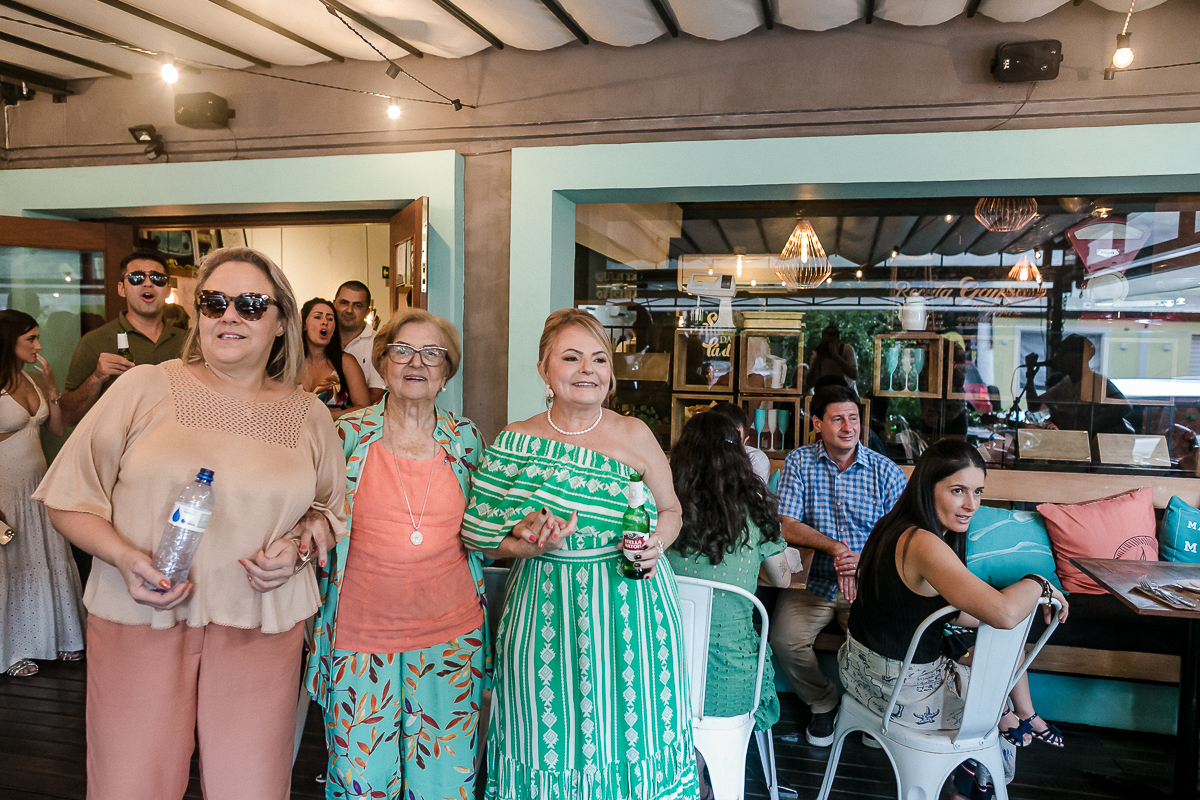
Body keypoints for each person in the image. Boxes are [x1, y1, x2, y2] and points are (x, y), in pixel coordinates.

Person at [33, 247, 346, 800]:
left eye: (251, 304)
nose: (230, 315)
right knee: (130, 785)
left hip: (259, 626)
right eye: (214, 302)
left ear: (281, 322)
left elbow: (326, 513)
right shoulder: (144, 387)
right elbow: (68, 498)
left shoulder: (310, 416)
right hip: (140, 618)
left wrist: (298, 548)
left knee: (251, 788)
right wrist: (125, 558)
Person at [460, 308, 698, 799]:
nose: (588, 369)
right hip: (544, 612)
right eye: (571, 358)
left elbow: (671, 510)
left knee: (634, 735)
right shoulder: (515, 441)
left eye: (599, 359)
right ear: (544, 370)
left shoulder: (635, 434)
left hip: (634, 613)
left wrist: (656, 545)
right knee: (543, 735)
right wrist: (525, 542)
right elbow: (477, 535)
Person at [306, 308, 490, 799]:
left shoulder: (465, 439)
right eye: (403, 351)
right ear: (383, 364)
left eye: (432, 354)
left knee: (444, 783)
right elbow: (309, 510)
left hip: (452, 637)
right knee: (362, 780)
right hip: (359, 636)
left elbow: (487, 523)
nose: (416, 362)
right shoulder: (347, 434)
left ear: (447, 372)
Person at [843, 440, 1068, 799]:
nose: (971, 505)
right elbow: (1005, 614)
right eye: (958, 491)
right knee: (997, 693)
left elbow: (927, 610)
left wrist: (995, 614)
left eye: (978, 492)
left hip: (860, 675)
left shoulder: (894, 525)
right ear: (927, 487)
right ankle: (973, 775)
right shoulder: (924, 544)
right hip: (905, 697)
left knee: (996, 655)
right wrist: (1040, 583)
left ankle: (977, 763)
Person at [770, 383, 906, 746]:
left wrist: (862, 562)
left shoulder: (885, 471)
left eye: (853, 418)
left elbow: (903, 536)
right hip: (813, 582)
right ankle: (822, 701)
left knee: (883, 645)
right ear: (817, 423)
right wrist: (836, 549)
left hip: (868, 582)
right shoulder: (799, 462)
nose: (848, 427)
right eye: (838, 419)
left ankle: (870, 710)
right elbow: (786, 523)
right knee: (784, 640)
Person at [667, 410, 791, 798]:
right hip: (730, 679)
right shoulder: (756, 512)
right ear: (738, 454)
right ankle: (706, 778)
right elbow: (783, 579)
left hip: (661, 671)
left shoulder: (661, 512)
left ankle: (688, 776)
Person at [0, 310, 85, 677]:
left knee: (44, 558)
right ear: (9, 342)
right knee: (12, 565)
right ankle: (11, 650)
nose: (38, 345)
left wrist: (51, 388)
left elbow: (57, 428)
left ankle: (57, 638)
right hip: (4, 488)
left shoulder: (30, 378)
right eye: (30, 339)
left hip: (37, 484)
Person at [60, 249, 186, 427]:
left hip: (178, 441)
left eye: (157, 278)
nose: (148, 283)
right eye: (136, 278)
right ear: (121, 289)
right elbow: (67, 416)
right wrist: (97, 377)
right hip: (120, 444)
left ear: (167, 290)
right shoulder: (94, 341)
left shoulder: (188, 342)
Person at [1027, 334, 1133, 435]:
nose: (1057, 358)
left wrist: (1090, 426)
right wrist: (1030, 377)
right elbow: (1034, 406)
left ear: (1079, 357)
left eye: (1063, 353)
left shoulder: (1096, 381)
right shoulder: (1066, 383)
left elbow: (1123, 406)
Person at [300, 297, 370, 417]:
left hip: (336, 428)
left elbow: (365, 409)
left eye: (330, 319)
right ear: (304, 325)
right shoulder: (289, 363)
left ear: (334, 329)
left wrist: (328, 416)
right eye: (317, 317)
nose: (325, 322)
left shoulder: (346, 362)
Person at [333, 280, 386, 404]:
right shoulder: (321, 338)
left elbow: (377, 393)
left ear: (367, 311)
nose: (349, 310)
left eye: (357, 305)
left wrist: (344, 412)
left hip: (359, 414)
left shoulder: (378, 344)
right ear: (334, 304)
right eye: (344, 303)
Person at [709, 400, 770, 483]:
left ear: (745, 441)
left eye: (734, 440)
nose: (725, 446)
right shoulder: (696, 457)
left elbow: (753, 491)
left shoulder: (755, 459)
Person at [805, 324, 858, 394]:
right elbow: (809, 383)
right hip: (824, 391)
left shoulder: (845, 349)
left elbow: (854, 375)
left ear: (837, 341)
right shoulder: (817, 355)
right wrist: (818, 359)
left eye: (830, 342)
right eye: (825, 342)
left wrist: (836, 356)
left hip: (842, 391)